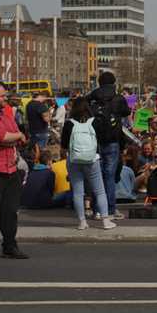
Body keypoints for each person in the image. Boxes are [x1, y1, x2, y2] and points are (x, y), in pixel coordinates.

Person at [0, 83, 29, 258]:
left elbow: (15, 134)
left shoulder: (6, 114)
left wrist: (14, 137)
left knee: (10, 211)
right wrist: (15, 137)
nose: (5, 98)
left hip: (11, 169)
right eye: (2, 96)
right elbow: (1, 137)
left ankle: (10, 246)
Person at [60, 96, 117, 231]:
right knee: (99, 191)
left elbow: (64, 145)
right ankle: (105, 221)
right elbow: (102, 139)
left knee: (78, 192)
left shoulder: (69, 124)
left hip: (74, 160)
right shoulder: (94, 122)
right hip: (92, 160)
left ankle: (82, 222)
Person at [88, 71, 131, 221]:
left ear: (99, 83)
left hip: (95, 141)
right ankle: (110, 209)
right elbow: (126, 112)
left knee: (96, 175)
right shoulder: (118, 98)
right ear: (113, 83)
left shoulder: (92, 98)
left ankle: (97, 210)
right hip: (113, 140)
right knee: (109, 176)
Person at [25, 91, 51, 158]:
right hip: (41, 132)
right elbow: (47, 119)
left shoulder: (29, 104)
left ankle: (35, 162)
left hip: (32, 131)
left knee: (34, 152)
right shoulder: (41, 105)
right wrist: (49, 114)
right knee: (42, 153)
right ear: (44, 96)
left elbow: (26, 118)